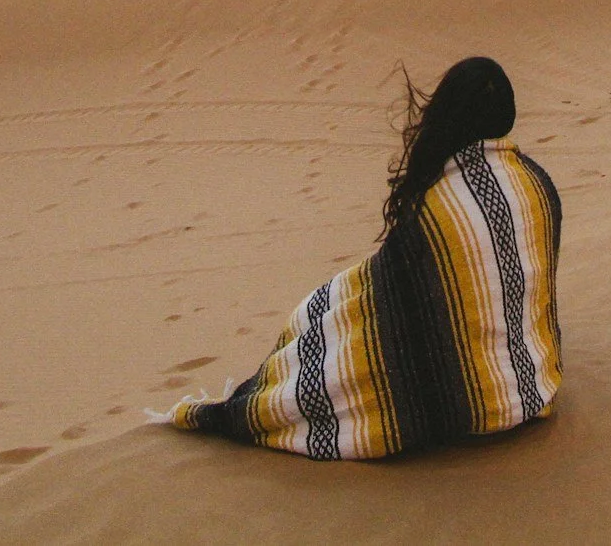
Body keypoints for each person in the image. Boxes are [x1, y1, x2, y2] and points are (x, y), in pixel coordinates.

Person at [166, 56, 563, 460]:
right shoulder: (537, 184)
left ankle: (256, 405)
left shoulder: (438, 208)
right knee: (341, 299)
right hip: (531, 391)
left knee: (324, 322)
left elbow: (393, 319)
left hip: (476, 415)